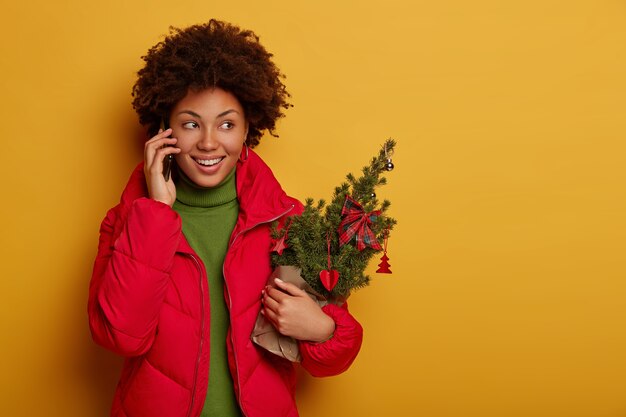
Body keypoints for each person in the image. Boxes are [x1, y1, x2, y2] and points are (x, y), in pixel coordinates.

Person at [88, 20, 363, 417]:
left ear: (250, 125)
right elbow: (119, 337)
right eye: (190, 123)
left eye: (227, 124)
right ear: (164, 129)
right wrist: (157, 212)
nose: (209, 142)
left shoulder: (289, 222)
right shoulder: (128, 220)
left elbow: (336, 357)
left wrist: (322, 330)